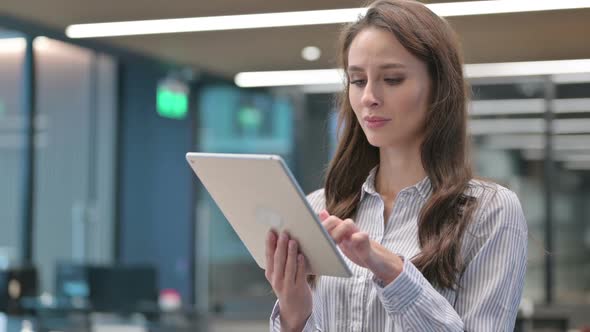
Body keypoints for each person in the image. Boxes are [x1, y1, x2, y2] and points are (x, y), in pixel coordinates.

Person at [265, 0, 528, 331]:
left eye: (392, 79)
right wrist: (295, 313)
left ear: (438, 87)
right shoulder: (322, 208)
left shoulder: (488, 211)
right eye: (358, 81)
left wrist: (394, 272)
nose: (369, 97)